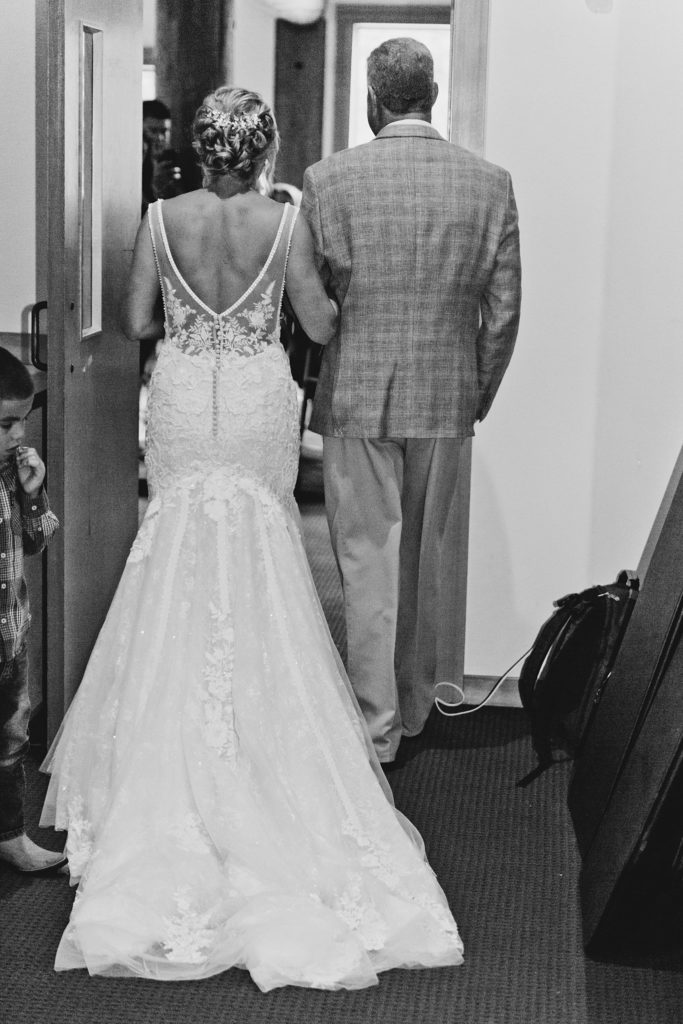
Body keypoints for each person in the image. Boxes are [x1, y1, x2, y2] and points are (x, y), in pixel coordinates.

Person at [40, 86, 463, 989]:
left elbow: (138, 320)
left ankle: (165, 747)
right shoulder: (286, 220)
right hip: (261, 400)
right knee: (263, 548)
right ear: (264, 150)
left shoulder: (162, 216)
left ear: (198, 147)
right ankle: (267, 738)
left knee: (178, 539)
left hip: (190, 397)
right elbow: (314, 321)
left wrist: (200, 324)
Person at [301, 38, 522, 767]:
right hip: (444, 395)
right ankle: (418, 701)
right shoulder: (488, 184)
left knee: (365, 562)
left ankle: (374, 726)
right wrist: (474, 392)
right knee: (423, 557)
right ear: (434, 94)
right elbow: (503, 309)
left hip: (357, 395)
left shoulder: (328, 180)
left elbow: (317, 307)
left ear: (372, 99)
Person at [0, 348, 62, 875]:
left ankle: (11, 835)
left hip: (11, 634)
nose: (18, 436)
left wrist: (33, 496)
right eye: (5, 425)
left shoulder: (10, 476)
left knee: (12, 735)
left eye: (22, 421)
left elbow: (36, 544)